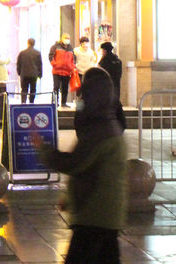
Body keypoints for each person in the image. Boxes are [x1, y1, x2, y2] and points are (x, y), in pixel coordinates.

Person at [35, 67, 127, 264]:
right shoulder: (109, 122)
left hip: (94, 215)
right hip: (107, 213)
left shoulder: (100, 130)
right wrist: (69, 197)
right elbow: (92, 169)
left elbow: (75, 163)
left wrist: (43, 149)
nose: (81, 96)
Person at [49, 34, 74, 107]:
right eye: (66, 38)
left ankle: (64, 103)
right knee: (56, 87)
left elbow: (73, 59)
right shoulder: (55, 47)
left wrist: (72, 67)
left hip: (67, 71)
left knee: (65, 88)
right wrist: (55, 64)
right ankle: (54, 103)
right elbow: (51, 56)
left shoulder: (70, 48)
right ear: (62, 39)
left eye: (68, 38)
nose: (67, 39)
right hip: (57, 71)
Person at [17, 38, 43, 103]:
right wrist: (40, 74)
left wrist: (19, 72)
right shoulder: (37, 53)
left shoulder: (22, 53)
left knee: (24, 89)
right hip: (34, 75)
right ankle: (31, 102)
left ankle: (23, 102)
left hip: (24, 74)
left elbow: (18, 64)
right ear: (34, 44)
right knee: (33, 90)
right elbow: (40, 65)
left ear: (27, 43)